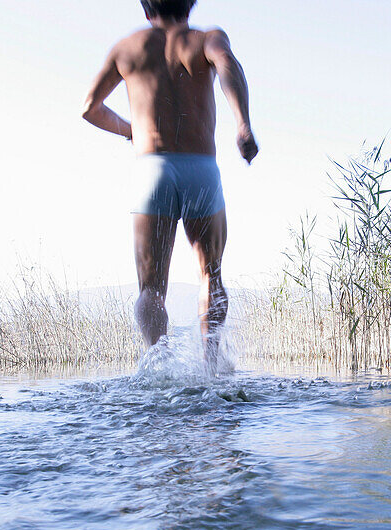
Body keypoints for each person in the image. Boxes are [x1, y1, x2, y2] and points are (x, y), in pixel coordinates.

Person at [83, 0, 258, 371]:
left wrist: (131, 130)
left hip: (152, 171)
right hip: (201, 169)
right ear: (190, 3)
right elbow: (228, 64)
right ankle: (210, 365)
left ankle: (158, 367)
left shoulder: (127, 48)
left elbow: (90, 107)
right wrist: (242, 123)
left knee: (150, 289)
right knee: (211, 274)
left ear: (146, 8)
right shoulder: (206, 39)